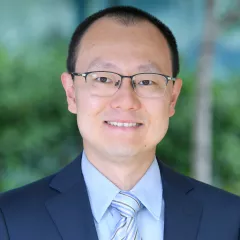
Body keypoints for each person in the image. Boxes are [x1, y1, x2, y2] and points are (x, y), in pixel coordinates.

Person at [0, 5, 240, 240]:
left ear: (172, 97)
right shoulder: (10, 219)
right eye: (103, 78)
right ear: (71, 93)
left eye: (147, 81)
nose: (126, 101)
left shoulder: (230, 219)